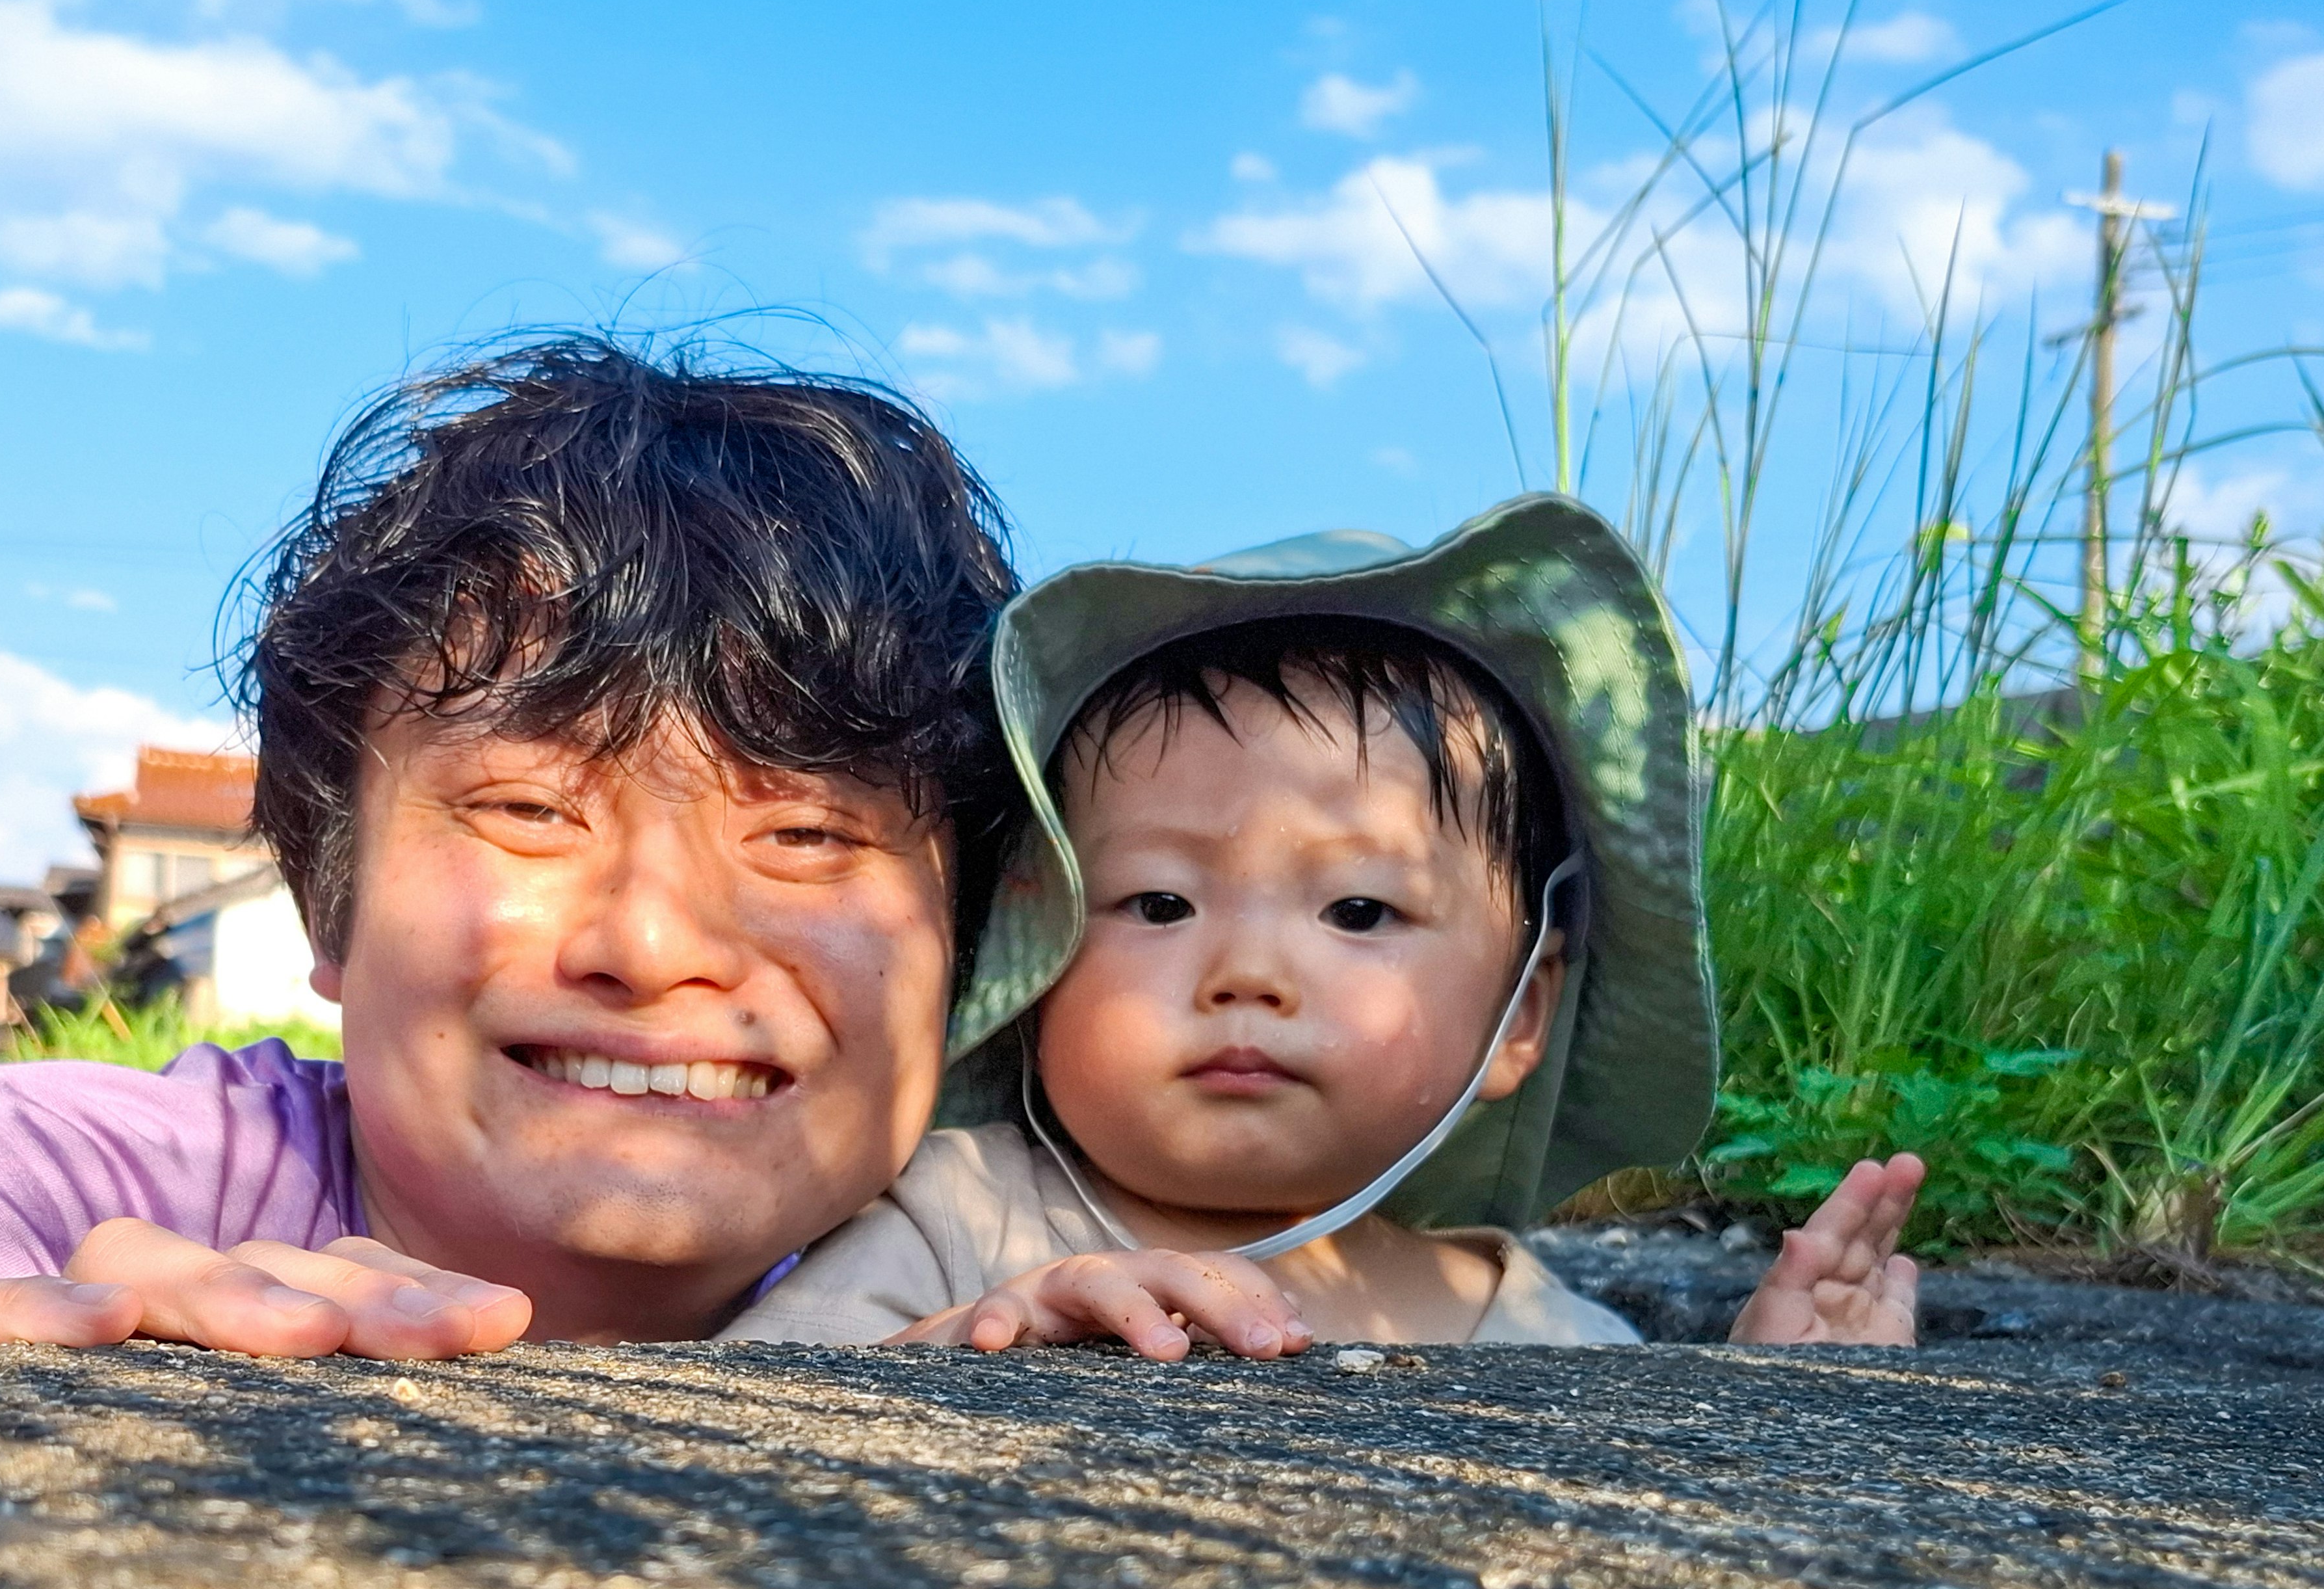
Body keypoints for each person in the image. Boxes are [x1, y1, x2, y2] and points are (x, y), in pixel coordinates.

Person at [0, 334, 1019, 1355]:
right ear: (327, 901)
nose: (651, 946)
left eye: (807, 832)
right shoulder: (39, 1179)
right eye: (529, 810)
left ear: (963, 952)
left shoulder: (1015, 1262)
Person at [726, 500, 1926, 1354]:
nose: (1246, 973)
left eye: (1359, 910)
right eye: (1158, 904)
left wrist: (1773, 1389)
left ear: (1527, 1015)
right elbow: (736, 1433)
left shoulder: (1555, 1336)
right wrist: (970, 1345)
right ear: (1038, 962)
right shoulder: (952, 1216)